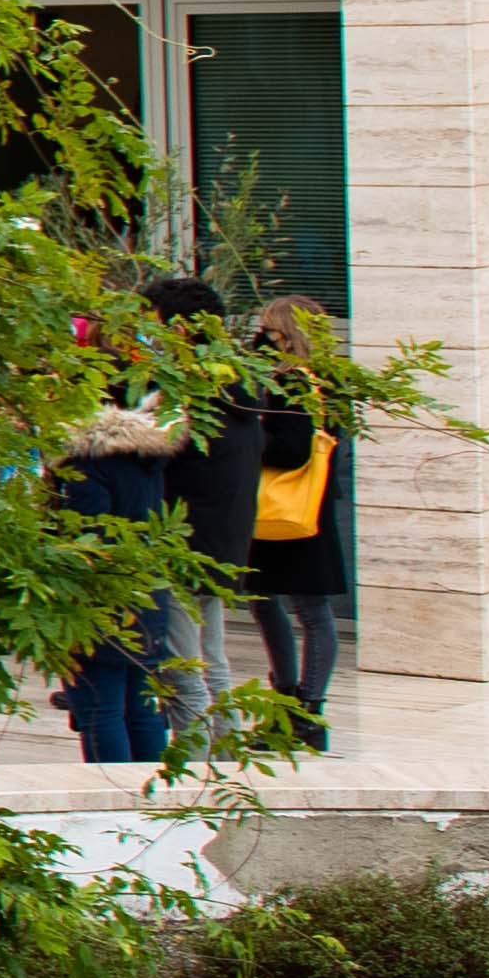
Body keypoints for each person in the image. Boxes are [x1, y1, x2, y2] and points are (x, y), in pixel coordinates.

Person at [216, 298, 354, 743]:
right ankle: (296, 706)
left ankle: (303, 710)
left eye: (267, 329)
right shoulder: (329, 379)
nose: (261, 336)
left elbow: (292, 449)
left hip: (290, 505)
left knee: (303, 607)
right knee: (274, 602)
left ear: (285, 332)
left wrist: (248, 436)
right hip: (300, 505)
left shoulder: (295, 381)